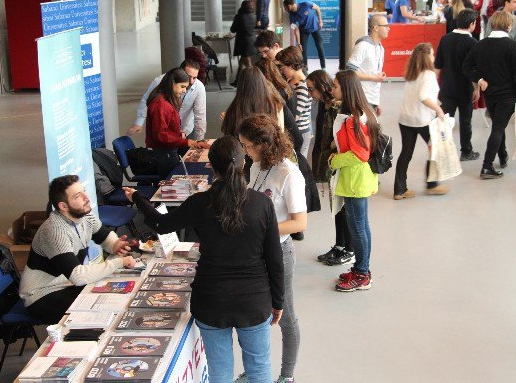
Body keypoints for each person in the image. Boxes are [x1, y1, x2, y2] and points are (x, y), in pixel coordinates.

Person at [124, 137, 284, 383]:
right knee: (259, 367)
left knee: (219, 371)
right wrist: (278, 301)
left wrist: (138, 197)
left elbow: (161, 224)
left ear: (211, 167)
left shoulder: (199, 203)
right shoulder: (262, 204)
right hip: (254, 300)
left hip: (211, 300)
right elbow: (275, 258)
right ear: (244, 164)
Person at [239, 114, 307, 383]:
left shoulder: (288, 173)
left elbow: (300, 222)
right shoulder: (255, 165)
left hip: (278, 253)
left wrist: (264, 230)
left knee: (286, 317)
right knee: (255, 315)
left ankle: (287, 375)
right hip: (252, 252)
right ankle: (256, 370)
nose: (245, 151)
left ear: (263, 144)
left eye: (247, 145)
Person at [19, 175, 135, 324]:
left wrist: (115, 244)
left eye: (84, 191)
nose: (87, 198)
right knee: (102, 312)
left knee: (116, 298)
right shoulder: (55, 231)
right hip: (42, 295)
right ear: (63, 206)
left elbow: (105, 238)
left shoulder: (85, 216)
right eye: (78, 196)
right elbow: (77, 276)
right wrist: (118, 262)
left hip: (67, 285)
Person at [463, 11, 516, 179]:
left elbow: (466, 67)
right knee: (498, 129)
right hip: (507, 95)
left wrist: (479, 79)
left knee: (498, 126)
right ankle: (487, 166)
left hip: (491, 95)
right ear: (509, 25)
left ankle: (502, 156)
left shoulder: (480, 45)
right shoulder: (512, 45)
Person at [329, 70, 379, 291]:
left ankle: (362, 273)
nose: (332, 90)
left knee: (357, 227)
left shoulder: (353, 119)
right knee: (361, 226)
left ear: (346, 89)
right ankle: (361, 268)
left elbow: (360, 154)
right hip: (360, 178)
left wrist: (334, 160)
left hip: (354, 179)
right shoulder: (363, 113)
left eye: (336, 86)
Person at [308, 70, 354, 267]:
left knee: (344, 209)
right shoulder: (325, 105)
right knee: (336, 207)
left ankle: (349, 250)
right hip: (328, 161)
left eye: (312, 90)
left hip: (339, 164)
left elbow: (340, 140)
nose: (310, 94)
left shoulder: (340, 109)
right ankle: (339, 245)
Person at [393, 43, 448, 200]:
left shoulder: (413, 73)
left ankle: (399, 190)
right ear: (426, 57)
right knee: (435, 148)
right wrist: (438, 109)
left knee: (406, 153)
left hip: (405, 119)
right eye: (432, 54)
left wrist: (437, 103)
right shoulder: (428, 75)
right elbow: (423, 96)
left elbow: (424, 95)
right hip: (422, 120)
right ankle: (432, 184)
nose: (434, 57)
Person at [435, 9, 480, 161]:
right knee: (465, 121)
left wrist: (435, 87)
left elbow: (438, 66)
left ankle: (442, 152)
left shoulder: (445, 39)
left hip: (447, 88)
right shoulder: (472, 43)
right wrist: (476, 88)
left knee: (445, 121)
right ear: (472, 24)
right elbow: (474, 69)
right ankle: (466, 151)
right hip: (465, 89)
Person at [127, 60, 206, 141]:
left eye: (195, 78)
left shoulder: (199, 87)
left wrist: (199, 141)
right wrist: (139, 122)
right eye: (189, 77)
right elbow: (146, 100)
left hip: (186, 130)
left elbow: (200, 116)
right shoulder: (159, 82)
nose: (191, 81)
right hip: (165, 133)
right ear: (179, 72)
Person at [145, 67, 210, 151]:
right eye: (182, 87)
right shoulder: (161, 104)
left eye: (186, 88)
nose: (184, 91)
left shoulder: (166, 101)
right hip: (162, 154)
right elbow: (161, 135)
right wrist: (186, 142)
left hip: (168, 151)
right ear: (172, 83)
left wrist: (179, 134)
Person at [346, 14, 389, 114]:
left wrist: (377, 102)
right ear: (376, 28)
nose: (388, 29)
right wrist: (373, 78)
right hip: (360, 99)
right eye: (386, 26)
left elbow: (374, 74)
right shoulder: (363, 46)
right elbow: (350, 71)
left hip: (372, 99)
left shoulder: (380, 48)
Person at [276, 47, 313, 159]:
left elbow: (296, 116)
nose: (281, 70)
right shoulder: (290, 81)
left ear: (291, 65)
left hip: (300, 132)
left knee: (299, 164)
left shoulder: (302, 86)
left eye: (282, 67)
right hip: (294, 130)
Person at [283, 0, 326, 69]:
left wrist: (320, 21)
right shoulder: (292, 16)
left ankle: (323, 67)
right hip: (304, 31)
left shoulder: (306, 4)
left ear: (289, 6)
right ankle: (305, 69)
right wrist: (299, 43)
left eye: (285, 7)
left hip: (315, 27)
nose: (285, 9)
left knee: (319, 47)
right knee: (303, 50)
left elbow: (318, 8)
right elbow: (295, 29)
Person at [231, 0, 258, 85]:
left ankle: (253, 81)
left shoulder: (239, 17)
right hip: (252, 41)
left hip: (243, 42)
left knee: (248, 64)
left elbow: (233, 29)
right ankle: (237, 81)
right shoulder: (254, 16)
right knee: (242, 63)